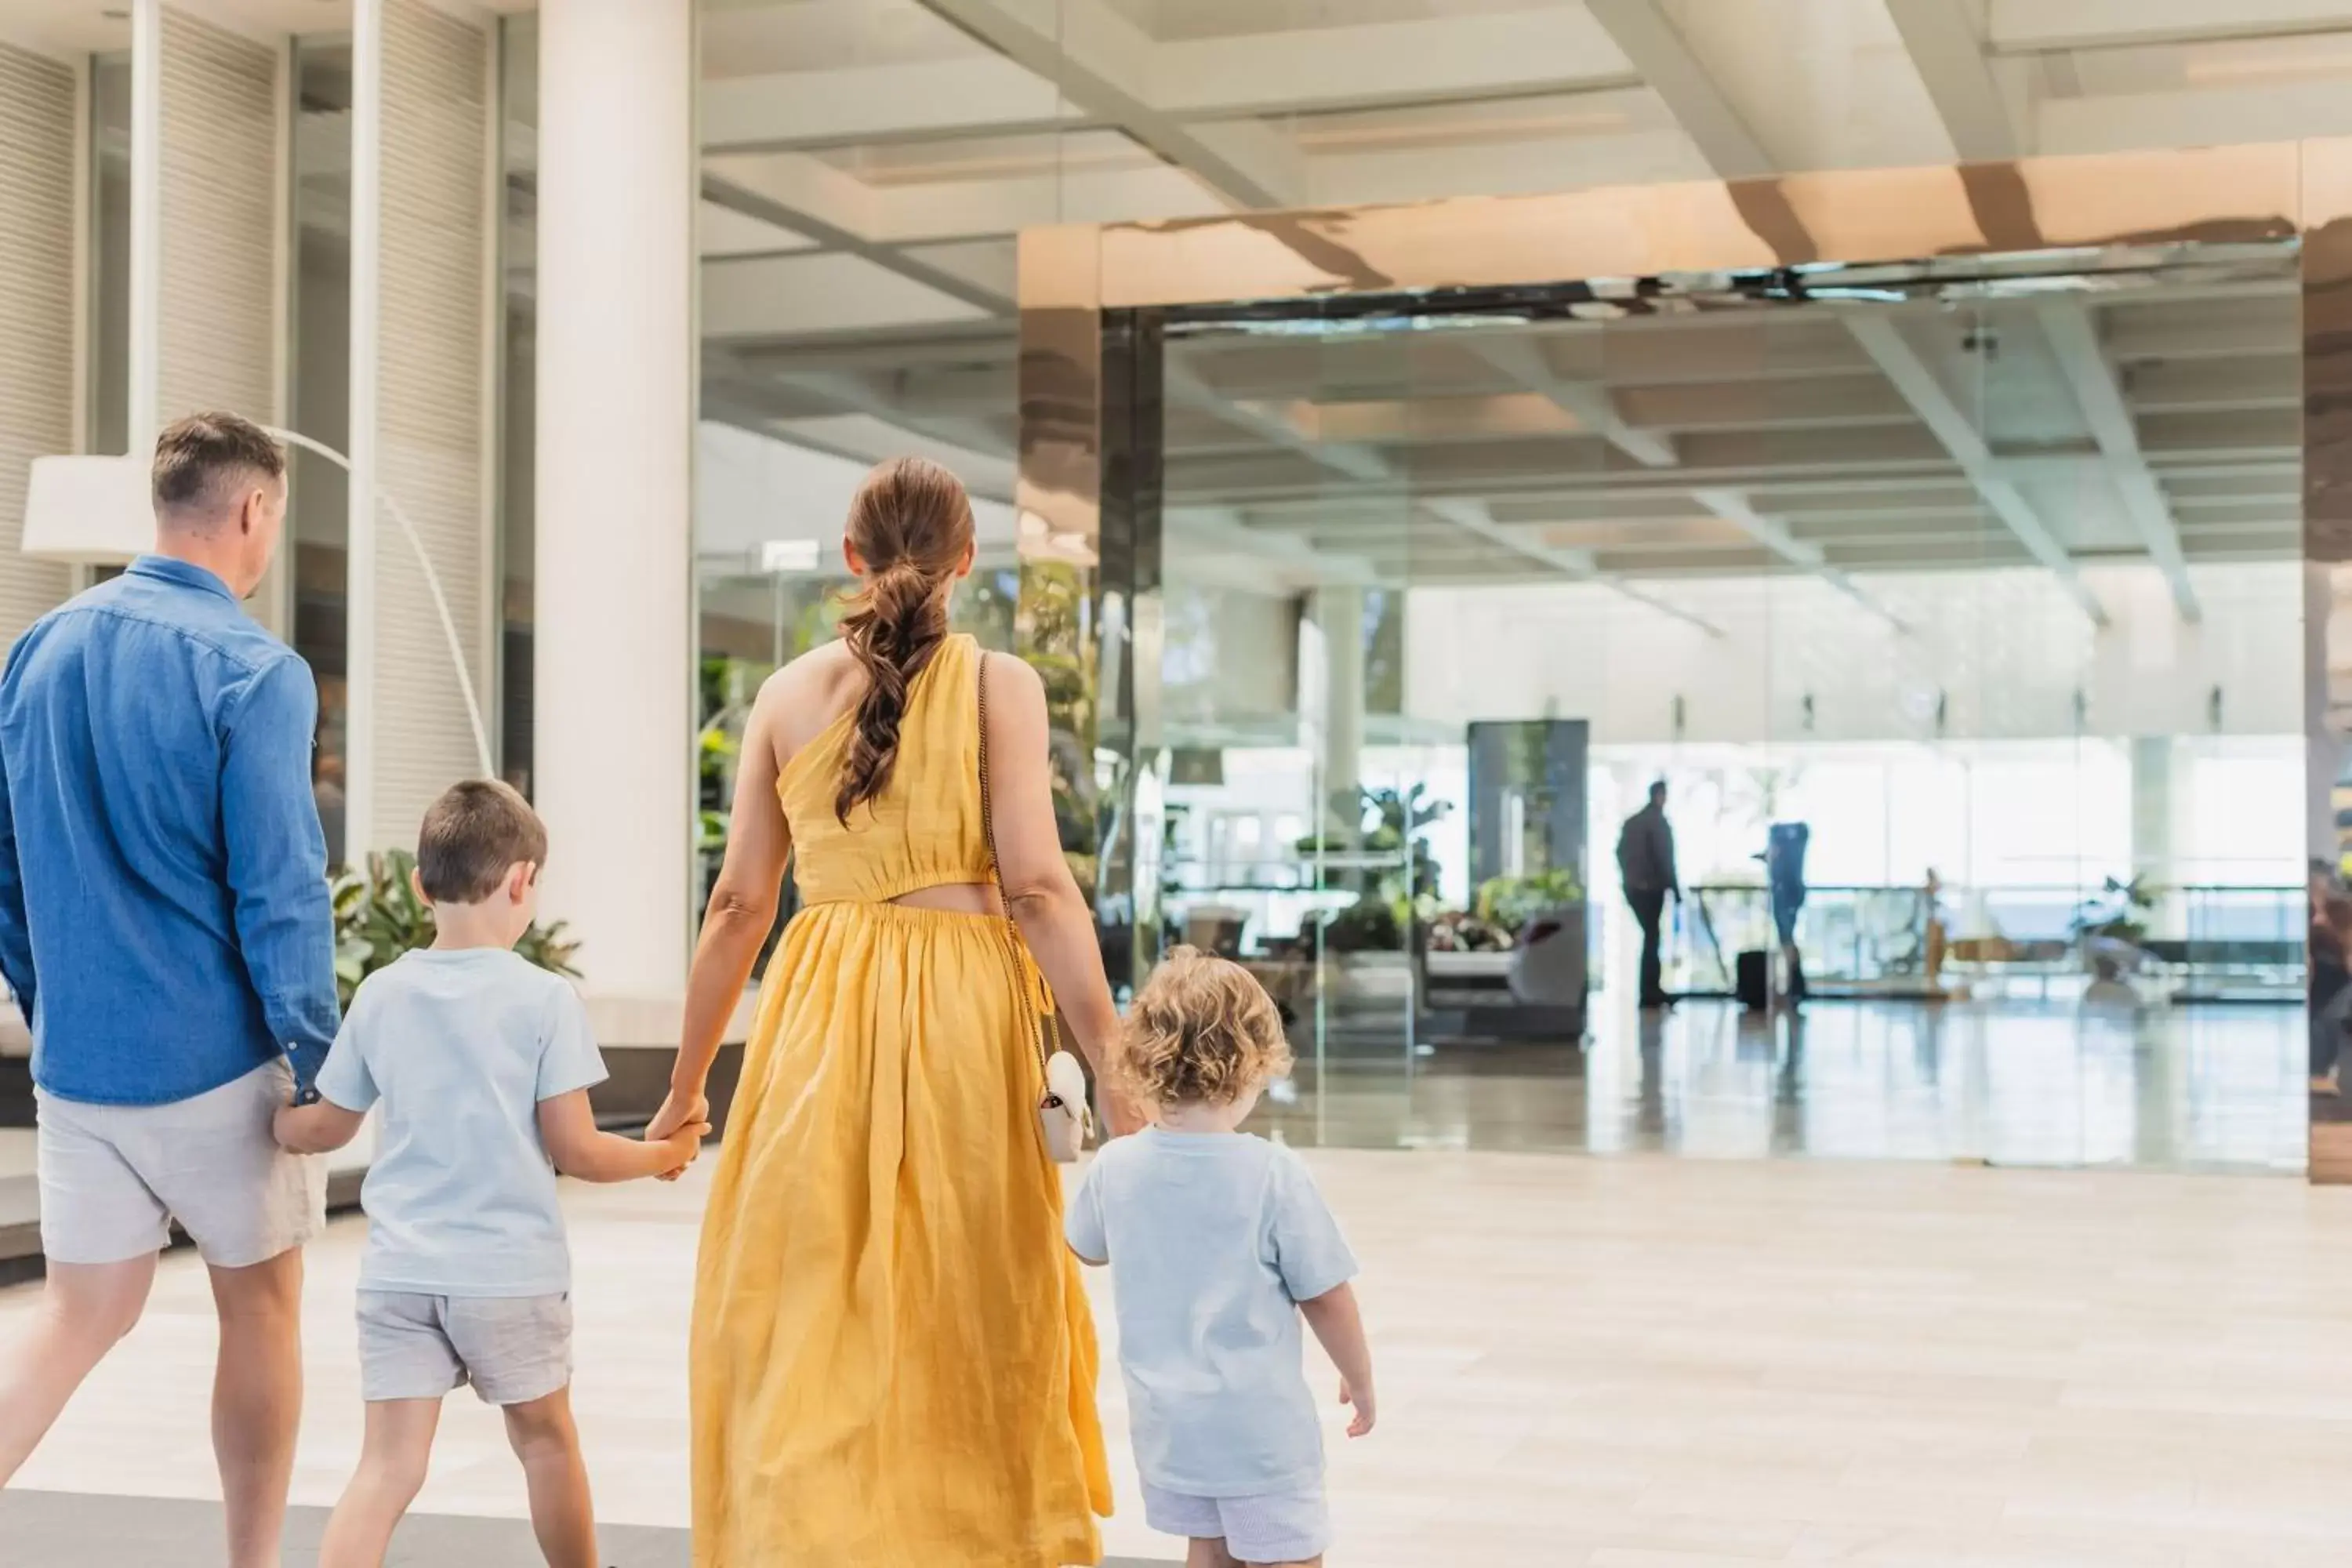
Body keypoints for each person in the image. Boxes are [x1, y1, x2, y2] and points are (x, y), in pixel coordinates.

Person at [652, 456, 1131, 1566]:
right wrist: (1107, 1058)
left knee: (811, 1297)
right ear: (967, 562)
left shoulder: (780, 696)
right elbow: (1039, 887)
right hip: (966, 1008)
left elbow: (737, 907)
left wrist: (684, 1093)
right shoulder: (998, 683)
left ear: (851, 558)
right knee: (973, 1288)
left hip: (817, 1011)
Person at [0, 414, 336, 1568]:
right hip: (221, 1068)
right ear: (252, 511)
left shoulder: (35, 649)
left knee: (76, 1317)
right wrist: (320, 1064)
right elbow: (281, 891)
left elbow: (4, 862)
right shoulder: (256, 669)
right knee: (261, 1310)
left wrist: (53, 1009)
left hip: (80, 1067)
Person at [274, 780, 704, 1568]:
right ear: (521, 881)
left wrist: (275, 1120)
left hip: (400, 1271)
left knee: (387, 1465)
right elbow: (575, 1149)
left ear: (417, 883)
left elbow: (326, 1126)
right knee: (544, 1440)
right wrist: (663, 1154)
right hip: (508, 1275)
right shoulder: (544, 998)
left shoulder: (380, 991)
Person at [1067, 947, 1373, 1568]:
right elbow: (1326, 1294)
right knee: (1290, 1557)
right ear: (1254, 1065)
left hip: (1169, 1430)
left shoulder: (1119, 1166)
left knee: (1208, 1550)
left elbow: (1086, 1247)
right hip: (1257, 1436)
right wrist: (1361, 1380)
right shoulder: (1270, 1173)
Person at [1616, 780, 1679, 1009]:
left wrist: (1631, 879)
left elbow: (1620, 853)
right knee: (1652, 937)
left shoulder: (1632, 823)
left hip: (1634, 888)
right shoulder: (1657, 823)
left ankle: (1650, 989)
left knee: (1650, 936)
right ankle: (1650, 990)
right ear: (1660, 795)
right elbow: (1665, 858)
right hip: (1651, 888)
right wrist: (1674, 887)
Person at [1765, 820, 1811, 1004]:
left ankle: (1796, 985)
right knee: (1786, 939)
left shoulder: (1787, 854)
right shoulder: (1794, 849)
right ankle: (1795, 985)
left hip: (1785, 894)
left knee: (1786, 939)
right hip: (1790, 892)